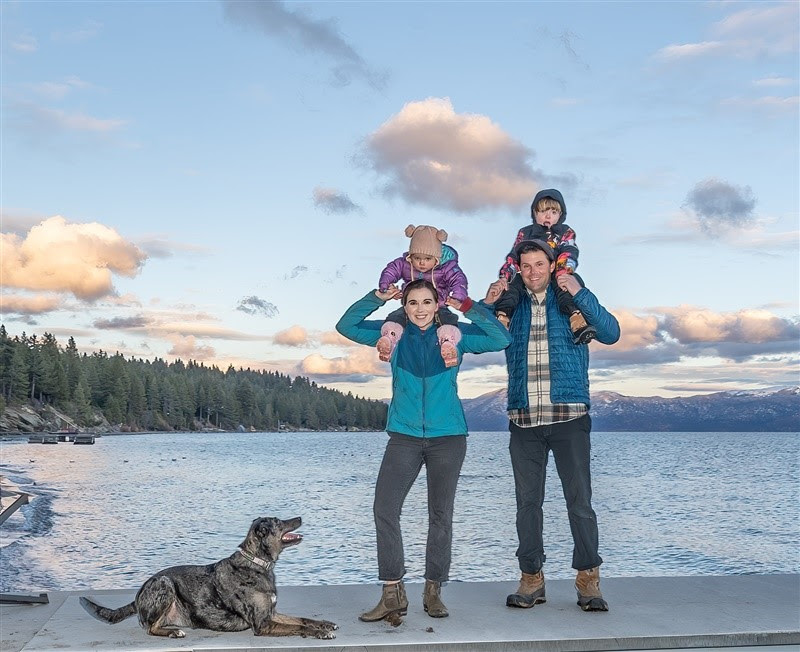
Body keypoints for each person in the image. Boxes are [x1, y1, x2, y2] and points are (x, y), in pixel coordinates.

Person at [336, 278, 510, 623]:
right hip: (404, 436)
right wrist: (377, 296)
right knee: (384, 509)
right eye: (412, 303)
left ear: (436, 304)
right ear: (404, 306)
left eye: (426, 302)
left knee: (440, 516)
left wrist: (468, 306)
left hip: (449, 438)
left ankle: (433, 591)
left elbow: (500, 338)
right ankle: (392, 593)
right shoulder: (392, 336)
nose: (419, 309)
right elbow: (346, 326)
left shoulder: (455, 338)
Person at [499, 239, 620, 612]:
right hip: (524, 419)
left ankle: (588, 582)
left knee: (579, 503)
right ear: (519, 268)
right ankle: (531, 580)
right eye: (526, 266)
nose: (533, 272)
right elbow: (481, 336)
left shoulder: (570, 302)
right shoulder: (512, 302)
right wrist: (488, 303)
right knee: (527, 504)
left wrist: (581, 292)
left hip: (569, 416)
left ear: (552, 265)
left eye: (539, 264)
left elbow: (611, 333)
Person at [495, 189, 596, 344]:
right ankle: (502, 316)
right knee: (512, 286)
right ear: (535, 213)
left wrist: (563, 271)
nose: (548, 216)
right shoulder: (526, 232)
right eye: (543, 211)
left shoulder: (564, 232)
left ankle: (576, 319)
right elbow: (515, 255)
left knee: (566, 286)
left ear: (560, 214)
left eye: (554, 212)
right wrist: (506, 275)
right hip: (529, 272)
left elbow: (569, 250)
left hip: (556, 269)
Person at [377, 224, 468, 367]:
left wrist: (458, 294)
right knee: (396, 317)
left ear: (436, 258)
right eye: (417, 257)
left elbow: (458, 278)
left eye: (427, 258)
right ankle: (389, 339)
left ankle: (448, 343)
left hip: (439, 305)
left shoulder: (446, 268)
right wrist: (385, 284)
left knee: (447, 319)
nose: (421, 262)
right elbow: (391, 270)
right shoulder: (405, 264)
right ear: (410, 256)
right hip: (411, 305)